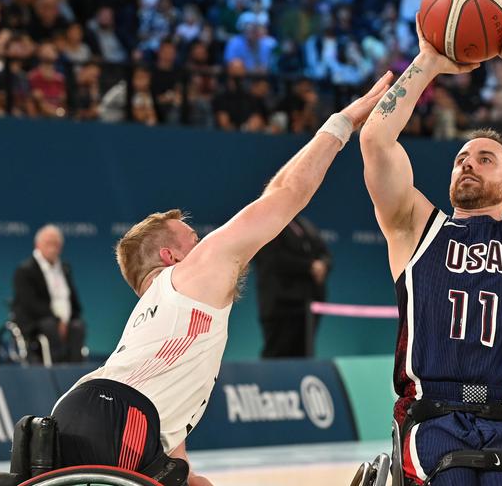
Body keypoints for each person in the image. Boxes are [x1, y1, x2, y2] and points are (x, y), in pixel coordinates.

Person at [49, 72, 393, 484]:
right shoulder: (189, 273)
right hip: (120, 417)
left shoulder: (149, 329)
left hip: (79, 416)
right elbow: (285, 194)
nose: (205, 243)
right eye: (194, 239)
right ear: (170, 255)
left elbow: (179, 461)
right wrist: (343, 121)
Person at [359, 0, 502, 485]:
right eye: (462, 157)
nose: (468, 163)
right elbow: (376, 140)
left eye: (485, 159)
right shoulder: (415, 227)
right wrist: (427, 61)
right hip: (429, 421)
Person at [254, 215, 331, 358]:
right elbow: (274, 259)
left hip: (306, 307)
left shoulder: (303, 223)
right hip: (281, 307)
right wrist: (310, 266)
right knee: (278, 355)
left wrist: (323, 264)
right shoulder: (267, 223)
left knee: (303, 356)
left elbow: (324, 252)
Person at [12, 225, 86, 364]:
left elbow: (73, 300)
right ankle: (55, 370)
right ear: (38, 245)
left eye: (56, 244)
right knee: (49, 326)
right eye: (48, 243)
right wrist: (58, 321)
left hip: (64, 321)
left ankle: (74, 370)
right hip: (37, 322)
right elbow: (30, 304)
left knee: (78, 326)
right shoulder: (25, 270)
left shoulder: (65, 268)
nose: (53, 248)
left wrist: (69, 319)